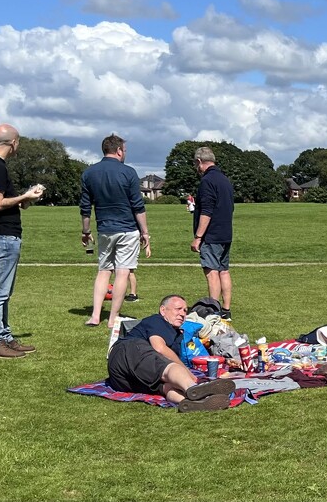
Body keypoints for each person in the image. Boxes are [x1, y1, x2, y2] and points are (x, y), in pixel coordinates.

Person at [0, 124, 45, 358]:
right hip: (2, 236)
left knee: (4, 292)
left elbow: (11, 201)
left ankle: (4, 337)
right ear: (13, 142)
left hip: (6, 235)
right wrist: (25, 196)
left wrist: (28, 197)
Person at [107, 294, 237, 412]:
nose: (182, 314)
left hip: (122, 381)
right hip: (127, 352)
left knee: (166, 387)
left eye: (185, 311)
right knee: (168, 367)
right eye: (178, 309)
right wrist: (187, 372)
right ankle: (194, 388)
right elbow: (159, 348)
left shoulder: (177, 334)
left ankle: (195, 402)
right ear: (163, 310)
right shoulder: (157, 320)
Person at [81, 134, 150, 328]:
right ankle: (113, 318)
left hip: (104, 229)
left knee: (103, 271)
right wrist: (145, 232)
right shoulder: (128, 172)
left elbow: (85, 207)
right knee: (122, 272)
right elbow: (138, 206)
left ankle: (95, 316)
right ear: (119, 150)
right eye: (124, 150)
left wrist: (86, 231)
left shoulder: (89, 173)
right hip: (127, 229)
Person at [190, 147, 235, 320]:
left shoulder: (207, 181)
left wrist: (198, 237)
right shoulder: (224, 179)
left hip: (212, 234)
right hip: (226, 232)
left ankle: (213, 311)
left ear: (199, 162)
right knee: (224, 271)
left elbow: (206, 211)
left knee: (211, 272)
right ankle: (226, 310)